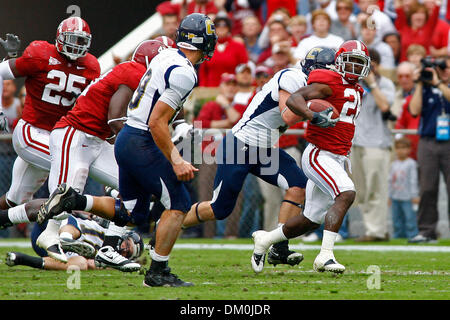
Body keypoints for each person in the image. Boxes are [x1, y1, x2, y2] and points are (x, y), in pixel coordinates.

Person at [38, 13, 218, 287]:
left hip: (127, 139)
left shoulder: (164, 57)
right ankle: (158, 272)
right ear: (202, 40)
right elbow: (157, 121)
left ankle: (75, 201)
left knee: (133, 212)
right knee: (179, 203)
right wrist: (176, 158)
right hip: (141, 140)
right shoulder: (184, 71)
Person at [182, 47, 337, 268]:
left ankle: (279, 248)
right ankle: (170, 225)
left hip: (263, 150)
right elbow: (288, 114)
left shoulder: (307, 85)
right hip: (239, 146)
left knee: (298, 186)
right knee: (219, 208)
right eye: (330, 71)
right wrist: (314, 113)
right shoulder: (292, 76)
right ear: (317, 69)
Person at [36, 40, 168, 264]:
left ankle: (108, 247)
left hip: (97, 141)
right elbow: (115, 118)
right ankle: (49, 232)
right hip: (75, 133)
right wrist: (136, 152)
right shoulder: (134, 72)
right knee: (67, 191)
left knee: (138, 188)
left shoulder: (141, 76)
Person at [251, 40, 370, 274]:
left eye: (359, 63)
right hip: (319, 153)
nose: (355, 68)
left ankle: (265, 240)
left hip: (337, 156)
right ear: (339, 62)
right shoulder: (330, 80)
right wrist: (312, 116)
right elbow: (295, 99)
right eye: (351, 62)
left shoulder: (356, 89)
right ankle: (325, 256)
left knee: (310, 218)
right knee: (346, 193)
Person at [0, 18, 100, 213]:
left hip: (60, 136)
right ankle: (74, 223)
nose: (75, 45)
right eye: (72, 39)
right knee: (74, 167)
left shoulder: (92, 66)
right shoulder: (40, 53)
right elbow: (2, 71)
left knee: (15, 199)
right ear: (59, 37)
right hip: (32, 131)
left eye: (81, 41)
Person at [352, 48, 396, 242]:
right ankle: (375, 229)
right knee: (360, 190)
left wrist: (372, 84)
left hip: (377, 143)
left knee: (376, 188)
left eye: (371, 63)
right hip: (355, 141)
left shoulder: (385, 84)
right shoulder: (353, 84)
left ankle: (376, 231)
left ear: (377, 65)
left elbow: (385, 106)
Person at [6, 213, 143, 271]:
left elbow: (90, 264)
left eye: (127, 254)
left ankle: (22, 259)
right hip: (55, 225)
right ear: (124, 236)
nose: (124, 250)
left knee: (82, 264)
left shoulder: (109, 259)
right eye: (128, 245)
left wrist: (113, 265)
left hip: (47, 249)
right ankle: (66, 238)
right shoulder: (111, 227)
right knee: (68, 217)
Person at [408, 55, 450, 243]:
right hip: (428, 141)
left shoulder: (441, 85)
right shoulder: (425, 88)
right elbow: (414, 110)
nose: (444, 70)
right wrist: (419, 83)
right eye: (441, 67)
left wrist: (438, 83)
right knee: (427, 188)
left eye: (446, 67)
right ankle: (426, 231)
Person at [198, 14, 248, 87]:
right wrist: (202, 86)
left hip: (232, 88)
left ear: (229, 28)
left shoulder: (238, 46)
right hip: (210, 89)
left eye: (225, 25)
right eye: (218, 25)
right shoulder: (208, 46)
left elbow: (244, 69)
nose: (221, 27)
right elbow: (203, 71)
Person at [388, 137, 420, 240]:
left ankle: (412, 235)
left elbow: (413, 180)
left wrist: (414, 195)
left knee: (410, 218)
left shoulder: (411, 163)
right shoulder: (393, 164)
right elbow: (390, 180)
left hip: (408, 198)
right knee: (396, 219)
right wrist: (389, 196)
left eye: (404, 148)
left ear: (409, 150)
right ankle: (398, 236)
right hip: (395, 197)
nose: (401, 150)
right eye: (398, 148)